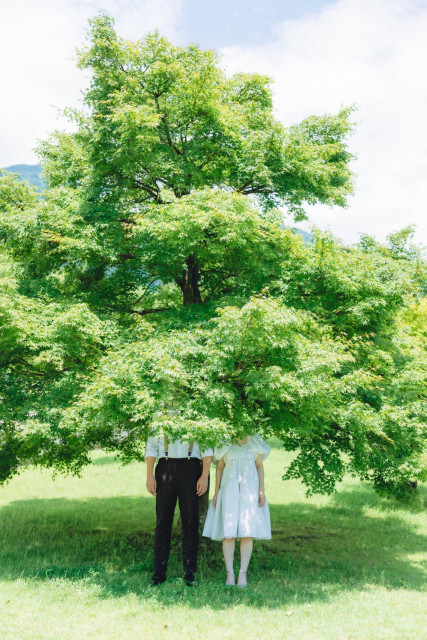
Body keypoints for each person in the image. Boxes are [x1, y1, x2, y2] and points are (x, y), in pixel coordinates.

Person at [202, 434, 271, 587]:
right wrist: (216, 492)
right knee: (229, 533)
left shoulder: (254, 442)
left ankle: (243, 575)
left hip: (249, 490)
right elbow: (220, 468)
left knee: (247, 532)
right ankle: (229, 574)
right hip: (229, 490)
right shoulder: (224, 442)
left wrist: (261, 490)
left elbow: (259, 466)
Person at [145, 434, 213, 586]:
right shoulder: (160, 414)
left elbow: (206, 448)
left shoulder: (196, 415)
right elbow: (151, 448)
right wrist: (149, 476)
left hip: (191, 468)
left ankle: (190, 572)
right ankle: (159, 573)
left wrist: (204, 476)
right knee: (163, 521)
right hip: (165, 468)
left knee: (190, 522)